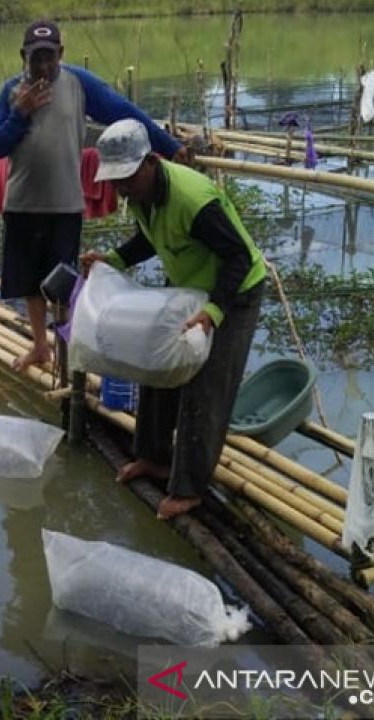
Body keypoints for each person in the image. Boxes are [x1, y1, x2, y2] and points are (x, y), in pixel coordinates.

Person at [81, 118, 266, 520]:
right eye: (115, 181)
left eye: (127, 178)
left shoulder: (193, 199)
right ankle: (153, 457)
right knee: (157, 365)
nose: (121, 188)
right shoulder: (144, 195)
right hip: (188, 288)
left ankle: (189, 488)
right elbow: (152, 238)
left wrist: (213, 314)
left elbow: (240, 257)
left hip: (233, 293)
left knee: (205, 386)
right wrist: (112, 260)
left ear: (150, 162)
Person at [0, 19, 185, 372]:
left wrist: (169, 145)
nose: (44, 67)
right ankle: (39, 346)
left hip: (65, 205)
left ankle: (65, 353)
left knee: (62, 284)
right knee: (31, 282)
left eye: (50, 58)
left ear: (61, 54)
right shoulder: (11, 91)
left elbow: (124, 112)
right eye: (36, 59)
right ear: (24, 57)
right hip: (22, 204)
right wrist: (21, 114)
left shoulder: (79, 84)